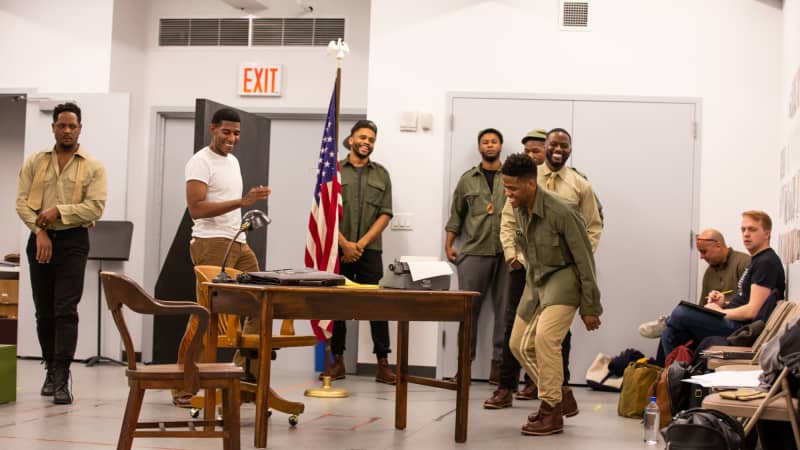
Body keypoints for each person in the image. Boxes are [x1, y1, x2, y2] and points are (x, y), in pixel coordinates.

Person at [501, 153, 602, 436]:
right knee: (518, 344)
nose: (508, 195)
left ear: (531, 184)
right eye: (505, 188)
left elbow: (585, 261)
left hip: (564, 278)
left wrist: (590, 307)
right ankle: (559, 394)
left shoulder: (563, 212)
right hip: (536, 280)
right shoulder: (520, 207)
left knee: (546, 338)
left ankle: (551, 409)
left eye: (513, 188)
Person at [176, 107, 271, 406]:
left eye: (237, 133)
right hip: (210, 243)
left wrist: (245, 207)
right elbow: (197, 209)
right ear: (212, 129)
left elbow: (232, 205)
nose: (232, 138)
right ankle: (186, 386)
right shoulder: (200, 162)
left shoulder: (233, 161)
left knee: (259, 302)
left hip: (237, 241)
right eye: (226, 132)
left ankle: (242, 376)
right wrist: (241, 202)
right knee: (209, 318)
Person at [16, 102, 108, 404]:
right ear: (53, 127)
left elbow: (94, 208)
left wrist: (58, 212)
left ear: (80, 128)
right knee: (44, 310)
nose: (67, 130)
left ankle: (62, 375)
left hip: (73, 242)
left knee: (65, 309)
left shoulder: (92, 166)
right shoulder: (35, 161)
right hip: (40, 240)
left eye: (72, 125)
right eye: (61, 125)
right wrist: (40, 230)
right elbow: (21, 202)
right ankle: (50, 368)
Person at [319, 119, 396, 384]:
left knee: (377, 307)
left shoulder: (381, 174)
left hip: (369, 250)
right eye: (362, 137)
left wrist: (360, 245)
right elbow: (325, 213)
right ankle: (337, 361)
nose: (367, 142)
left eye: (372, 139)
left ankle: (383, 363)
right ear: (351, 140)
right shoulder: (335, 171)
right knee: (338, 305)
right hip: (338, 250)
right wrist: (345, 244)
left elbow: (386, 214)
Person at [657, 211, 785, 365]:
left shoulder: (766, 262)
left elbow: (753, 310)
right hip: (734, 322)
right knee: (669, 331)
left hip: (740, 330)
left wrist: (721, 312)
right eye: (743, 230)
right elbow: (746, 299)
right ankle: (671, 378)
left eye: (752, 229)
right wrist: (723, 303)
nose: (746, 234)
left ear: (767, 234)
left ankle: (672, 374)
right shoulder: (757, 260)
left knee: (680, 313)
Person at [485, 128, 547, 408]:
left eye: (537, 150)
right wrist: (512, 255)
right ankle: (505, 387)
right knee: (513, 325)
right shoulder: (515, 181)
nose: (532, 155)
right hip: (522, 267)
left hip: (553, 270)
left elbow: (588, 227)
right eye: (528, 151)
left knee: (551, 330)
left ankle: (546, 388)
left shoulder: (572, 182)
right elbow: (507, 221)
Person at [444, 128, 510, 383]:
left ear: (501, 146)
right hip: (474, 251)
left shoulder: (511, 176)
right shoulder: (467, 180)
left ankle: (499, 369)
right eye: (485, 142)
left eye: (494, 141)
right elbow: (456, 215)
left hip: (507, 253)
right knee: (468, 312)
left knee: (506, 313)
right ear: (479, 147)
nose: (490, 145)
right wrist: (449, 243)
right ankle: (464, 369)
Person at [639, 229, 750, 338]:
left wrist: (723, 304)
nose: (701, 257)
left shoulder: (744, 262)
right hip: (714, 321)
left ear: (718, 245)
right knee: (670, 332)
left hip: (735, 323)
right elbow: (702, 306)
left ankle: (668, 321)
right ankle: (670, 331)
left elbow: (748, 302)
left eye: (703, 251)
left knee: (681, 311)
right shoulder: (709, 273)